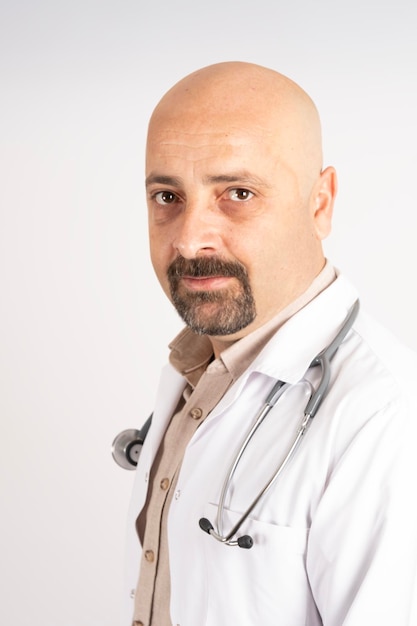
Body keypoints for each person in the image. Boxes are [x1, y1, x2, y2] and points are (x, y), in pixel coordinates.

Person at [122, 61, 417, 625]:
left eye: (237, 192)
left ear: (320, 203)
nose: (190, 238)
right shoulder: (195, 368)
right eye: (167, 197)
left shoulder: (385, 417)